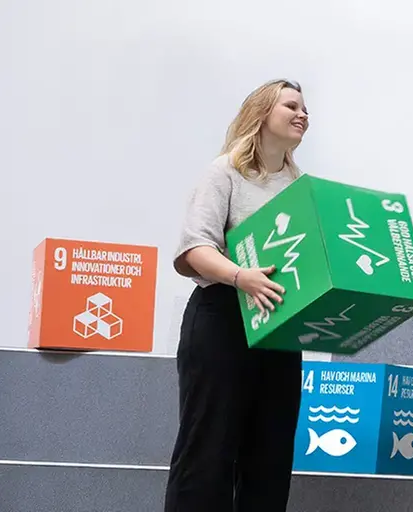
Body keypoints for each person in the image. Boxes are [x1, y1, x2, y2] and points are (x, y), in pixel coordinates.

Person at [163, 78, 309, 512]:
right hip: (223, 317)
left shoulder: (303, 188)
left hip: (279, 327)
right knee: (207, 451)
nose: (303, 114)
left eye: (306, 109)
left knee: (271, 456)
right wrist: (240, 275)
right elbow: (195, 249)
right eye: (292, 106)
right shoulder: (224, 172)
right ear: (262, 114)